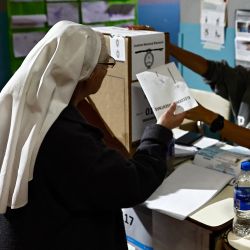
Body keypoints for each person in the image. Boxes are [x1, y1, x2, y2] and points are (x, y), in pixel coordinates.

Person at [0, 21, 185, 250]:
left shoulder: (21, 109)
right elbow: (131, 184)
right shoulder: (65, 136)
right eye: (106, 64)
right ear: (86, 72)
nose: (106, 72)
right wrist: (161, 131)